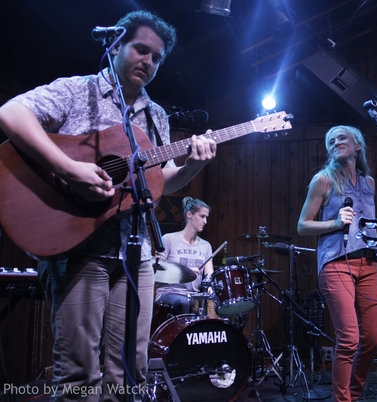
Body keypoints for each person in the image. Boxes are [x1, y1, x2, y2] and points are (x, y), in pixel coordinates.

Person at [0, 10, 217, 401]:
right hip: (77, 245)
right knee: (79, 374)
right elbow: (11, 113)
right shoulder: (76, 91)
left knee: (128, 372)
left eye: (156, 58)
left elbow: (161, 181)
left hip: (137, 255)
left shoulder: (156, 116)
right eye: (141, 50)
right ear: (116, 46)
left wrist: (193, 166)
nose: (149, 62)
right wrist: (69, 168)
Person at [297, 125, 377, 402]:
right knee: (349, 338)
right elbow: (303, 225)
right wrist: (336, 223)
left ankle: (355, 393)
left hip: (369, 263)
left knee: (374, 339)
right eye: (331, 140)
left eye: (341, 138)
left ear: (357, 145)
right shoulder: (323, 180)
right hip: (336, 264)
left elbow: (371, 229)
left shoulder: (368, 183)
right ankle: (343, 399)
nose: (335, 142)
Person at [155, 197, 217, 319]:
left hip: (193, 296)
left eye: (206, 217)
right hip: (169, 293)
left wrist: (210, 287)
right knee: (184, 303)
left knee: (212, 306)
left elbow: (209, 274)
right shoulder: (168, 239)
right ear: (189, 214)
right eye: (202, 216)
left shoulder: (206, 246)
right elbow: (157, 270)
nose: (205, 221)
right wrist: (185, 272)